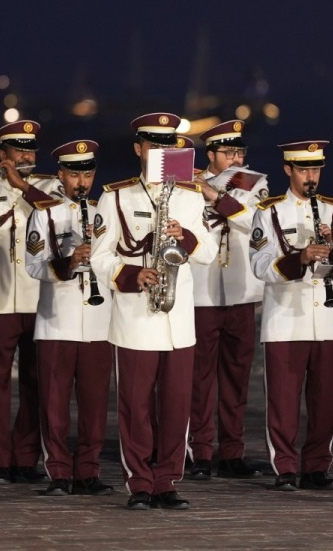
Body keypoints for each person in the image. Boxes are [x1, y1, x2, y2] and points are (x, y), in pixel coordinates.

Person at [90, 112, 215, 511]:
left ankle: (167, 481)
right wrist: (130, 274)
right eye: (154, 146)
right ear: (139, 150)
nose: (161, 152)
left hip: (177, 318)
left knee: (178, 405)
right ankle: (140, 482)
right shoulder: (116, 196)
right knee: (136, 406)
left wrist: (188, 236)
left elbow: (209, 254)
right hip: (135, 315)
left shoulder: (191, 196)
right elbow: (99, 256)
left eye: (168, 146)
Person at [249, 140, 333, 492]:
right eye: (304, 170)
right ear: (288, 169)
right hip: (286, 319)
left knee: (326, 400)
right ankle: (285, 466)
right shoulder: (269, 212)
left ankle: (317, 465)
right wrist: (301, 258)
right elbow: (260, 266)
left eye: (316, 169)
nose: (311, 177)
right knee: (284, 401)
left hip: (329, 318)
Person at [24, 139, 115, 497]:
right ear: (61, 175)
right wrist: (70, 261)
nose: (82, 182)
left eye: (88, 175)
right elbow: (34, 266)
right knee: (54, 403)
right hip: (57, 319)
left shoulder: (103, 212)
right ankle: (59, 471)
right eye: (75, 175)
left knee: (95, 404)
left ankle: (88, 471)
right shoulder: (44, 213)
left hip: (98, 320)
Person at [0, 120, 58, 484]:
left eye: (30, 150)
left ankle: (25, 458)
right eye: (18, 151)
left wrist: (22, 186)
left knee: (35, 381)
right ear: (2, 154)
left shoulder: (46, 186)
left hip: (38, 296)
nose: (26, 156)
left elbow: (58, 214)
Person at [188, 120, 267, 480]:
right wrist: (201, 193)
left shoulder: (254, 184)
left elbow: (257, 223)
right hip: (202, 290)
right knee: (199, 377)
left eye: (240, 152)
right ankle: (199, 451)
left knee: (237, 376)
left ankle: (232, 452)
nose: (236, 158)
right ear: (211, 155)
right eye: (228, 152)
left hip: (240, 290)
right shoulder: (189, 184)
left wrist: (218, 198)